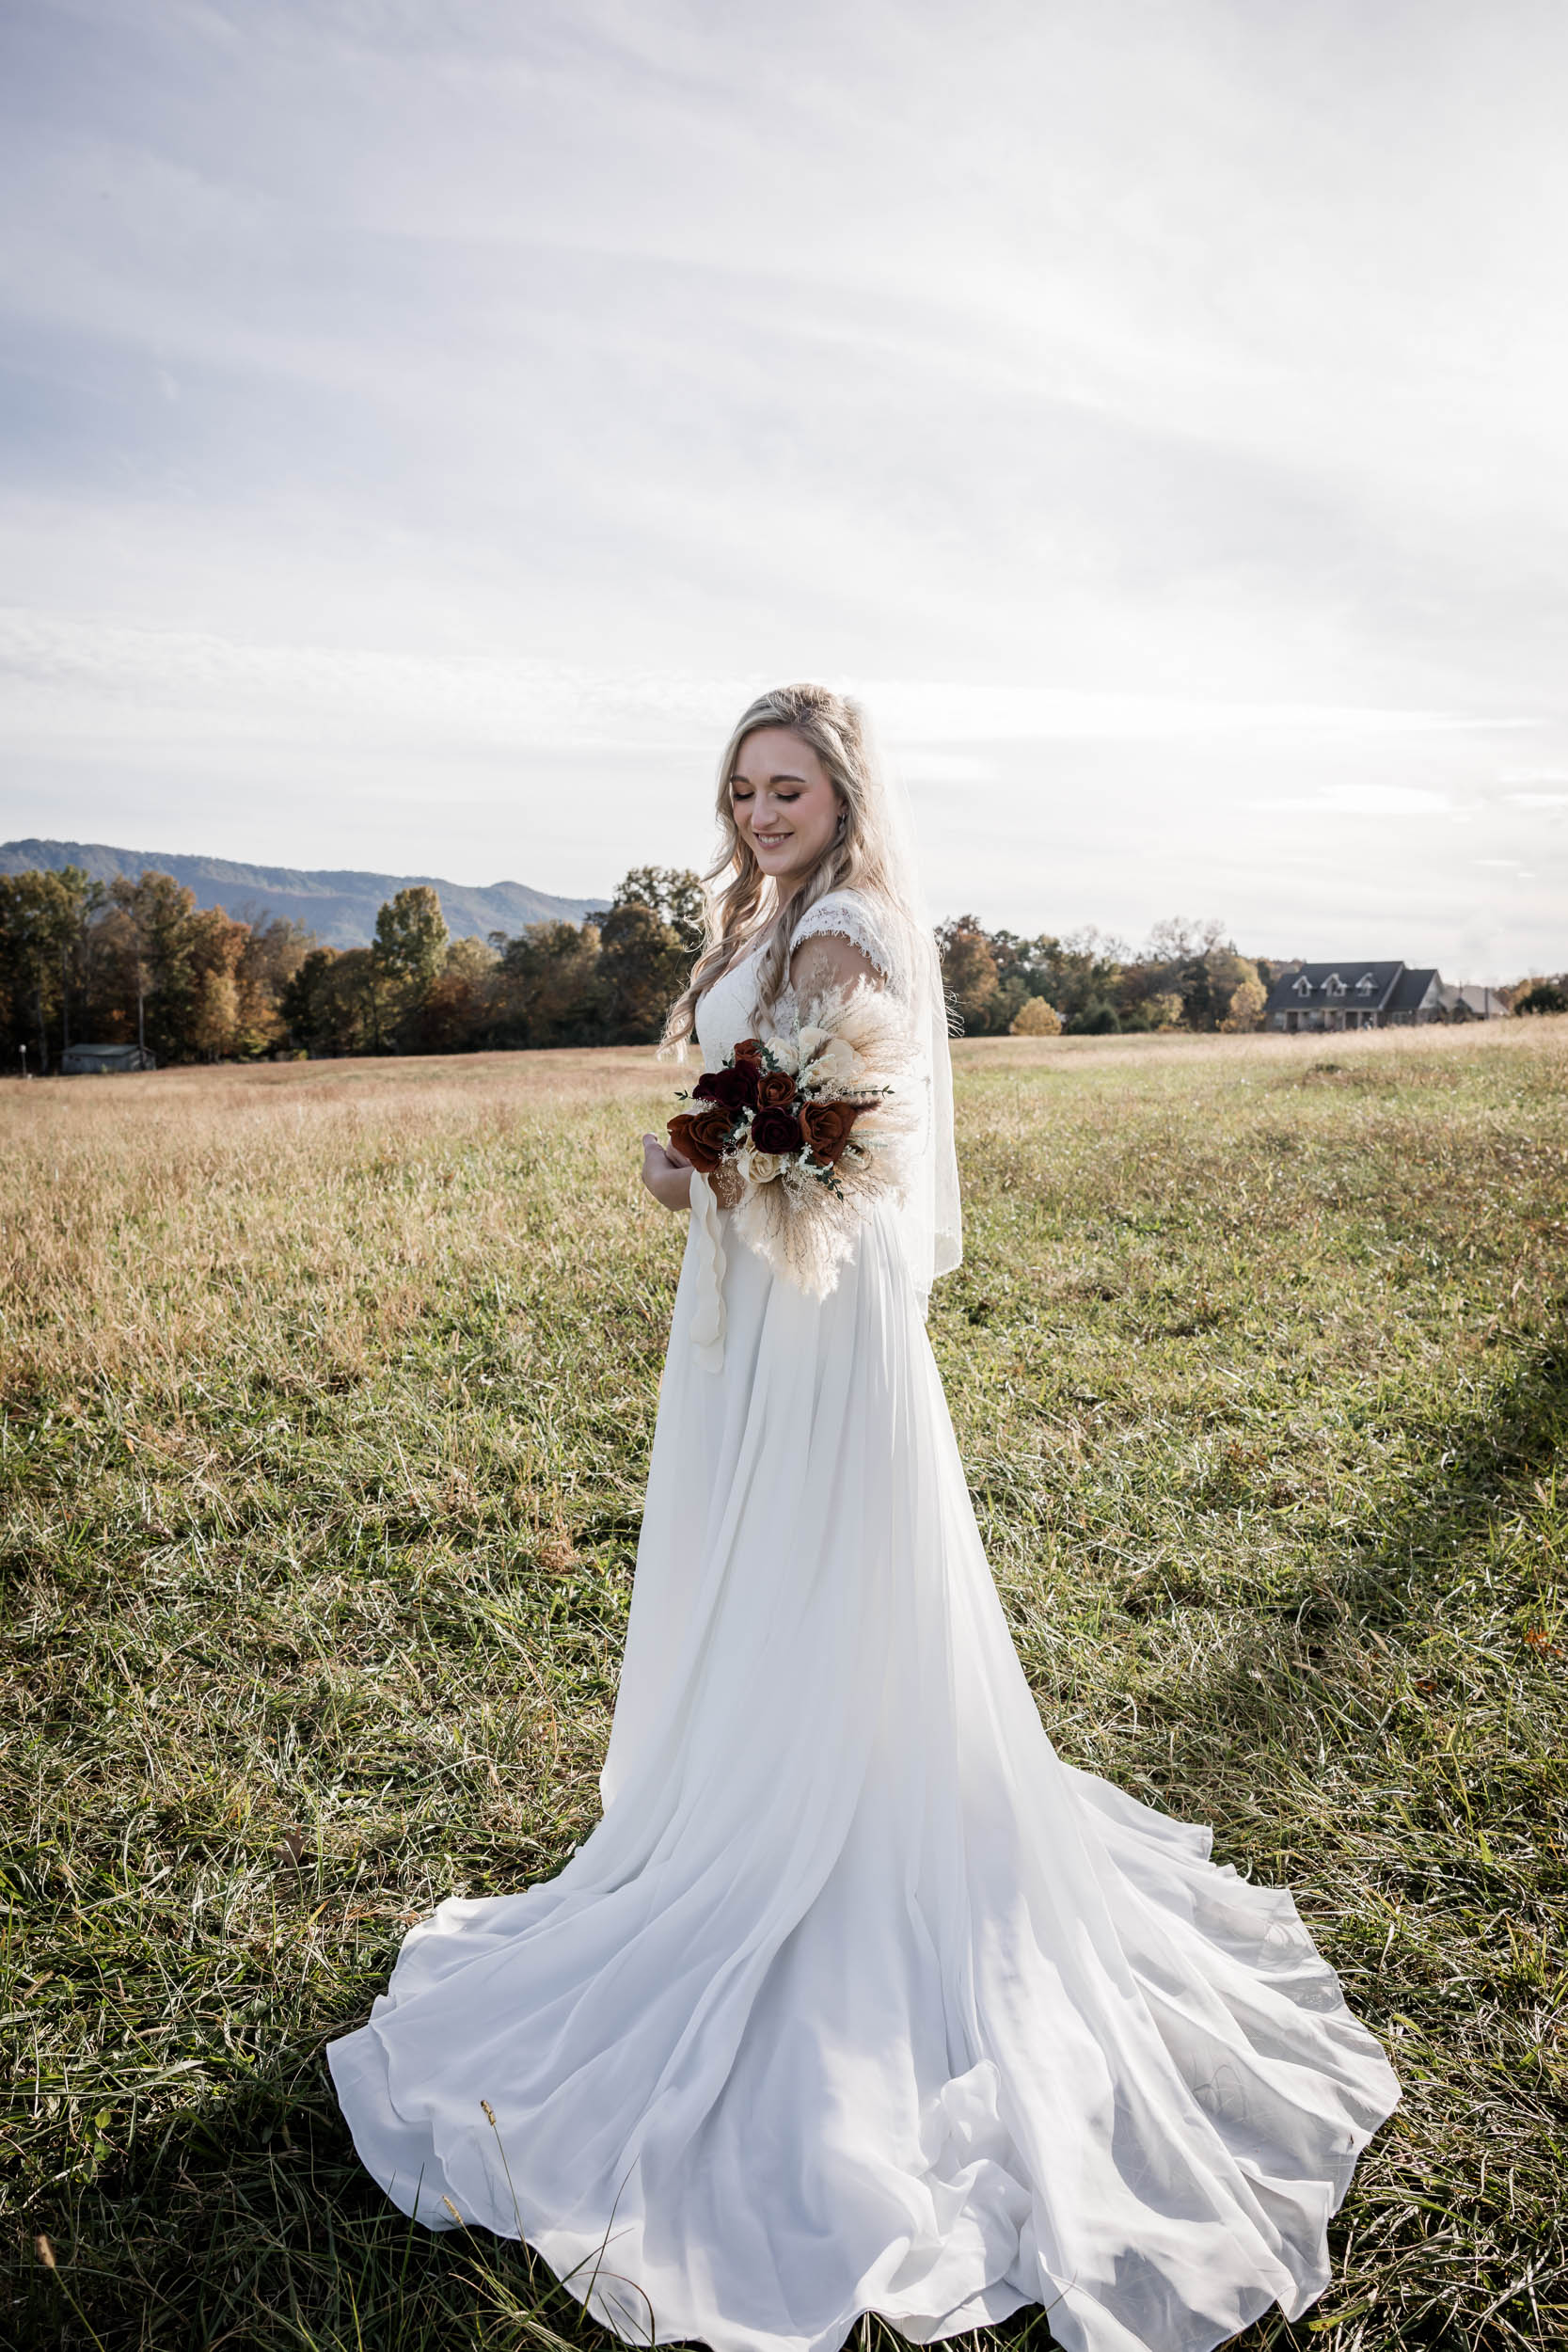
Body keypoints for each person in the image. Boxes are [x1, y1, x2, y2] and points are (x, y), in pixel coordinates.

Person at [328, 683, 1400, 2352]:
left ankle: (811, 1811)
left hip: (813, 1321)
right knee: (772, 1559)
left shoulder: (841, 930)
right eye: (744, 790)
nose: (761, 813)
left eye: (789, 789)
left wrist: (694, 1163)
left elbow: (827, 1137)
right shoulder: (779, 917)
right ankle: (754, 1773)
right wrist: (715, 1153)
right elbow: (778, 1115)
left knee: (813, 1556)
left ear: (843, 794)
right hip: (763, 1303)